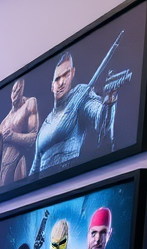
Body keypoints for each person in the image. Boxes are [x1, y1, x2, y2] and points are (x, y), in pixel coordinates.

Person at [28, 52, 113, 180]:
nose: (61, 82)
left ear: (72, 73)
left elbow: (101, 119)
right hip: (43, 194)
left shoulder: (81, 98)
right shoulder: (45, 124)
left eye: (66, 75)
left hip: (67, 184)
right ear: (52, 85)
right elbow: (35, 169)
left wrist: (109, 103)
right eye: (57, 79)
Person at [0, 79, 38, 190]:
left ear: (23, 90)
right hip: (3, 176)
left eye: (19, 89)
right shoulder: (3, 123)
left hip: (18, 167)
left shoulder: (30, 104)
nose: (16, 93)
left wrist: (13, 136)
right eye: (14, 90)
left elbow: (34, 137)